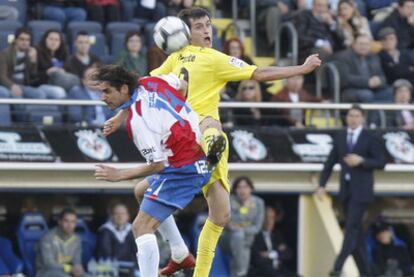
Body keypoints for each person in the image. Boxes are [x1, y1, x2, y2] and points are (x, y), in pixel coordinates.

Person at [106, 7, 321, 277]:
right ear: (185, 32)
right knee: (218, 208)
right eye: (199, 26)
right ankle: (194, 265)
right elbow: (260, 73)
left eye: (208, 24)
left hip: (179, 145)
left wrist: (120, 115)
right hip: (200, 142)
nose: (207, 30)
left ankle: (179, 252)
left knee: (142, 191)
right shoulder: (212, 59)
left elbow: (143, 87)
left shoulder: (172, 60)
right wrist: (301, 68)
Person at [92, 64, 211, 277]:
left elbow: (158, 165)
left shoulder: (139, 121)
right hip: (198, 152)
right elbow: (182, 86)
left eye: (107, 91)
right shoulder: (150, 81)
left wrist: (118, 175)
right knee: (140, 191)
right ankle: (180, 252)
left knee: (140, 227)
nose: (102, 97)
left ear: (124, 89)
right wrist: (121, 114)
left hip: (184, 169)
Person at [315, 105, 386, 276]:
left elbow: (381, 162)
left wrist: (362, 161)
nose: (353, 119)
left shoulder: (370, 137)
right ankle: (367, 272)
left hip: (362, 191)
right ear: (346, 118)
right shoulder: (340, 137)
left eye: (356, 115)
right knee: (357, 233)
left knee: (351, 228)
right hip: (346, 191)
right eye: (350, 115)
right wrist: (322, 184)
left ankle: (337, 267)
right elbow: (330, 162)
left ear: (362, 118)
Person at [335, 33, 393, 103]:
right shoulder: (344, 57)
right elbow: (346, 79)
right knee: (367, 95)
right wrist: (367, 82)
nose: (363, 47)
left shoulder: (374, 57)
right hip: (350, 90)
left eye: (366, 44)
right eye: (361, 44)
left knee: (390, 92)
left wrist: (379, 81)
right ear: (354, 45)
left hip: (373, 89)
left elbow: (382, 76)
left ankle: (384, 114)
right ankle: (373, 114)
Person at [226, 176, 265, 277]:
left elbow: (257, 227)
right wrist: (243, 209)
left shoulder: (259, 203)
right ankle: (240, 269)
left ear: (251, 189)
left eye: (245, 187)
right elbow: (229, 224)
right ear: (235, 189)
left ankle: (240, 270)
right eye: (239, 187)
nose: (242, 190)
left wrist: (241, 228)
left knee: (238, 272)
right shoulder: (229, 200)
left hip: (247, 241)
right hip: (228, 240)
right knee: (238, 235)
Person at [36, 208, 84, 277]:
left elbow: (77, 261)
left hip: (67, 272)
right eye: (66, 221)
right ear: (59, 221)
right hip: (46, 272)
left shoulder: (77, 239)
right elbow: (48, 264)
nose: (69, 225)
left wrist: (78, 268)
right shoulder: (48, 238)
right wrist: (69, 268)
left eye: (73, 222)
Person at [248, 205, 294, 277]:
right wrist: (279, 253)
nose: (269, 221)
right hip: (262, 273)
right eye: (266, 217)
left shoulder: (277, 235)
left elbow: (288, 253)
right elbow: (257, 259)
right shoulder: (254, 236)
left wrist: (271, 254)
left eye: (272, 218)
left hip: (279, 271)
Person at [37, 29, 79, 93]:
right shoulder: (37, 53)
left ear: (60, 42)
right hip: (43, 85)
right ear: (45, 40)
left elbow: (71, 72)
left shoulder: (63, 54)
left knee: (76, 89)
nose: (53, 42)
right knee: (59, 92)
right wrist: (47, 72)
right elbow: (33, 76)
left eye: (56, 40)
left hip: (61, 83)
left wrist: (63, 71)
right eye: (51, 39)